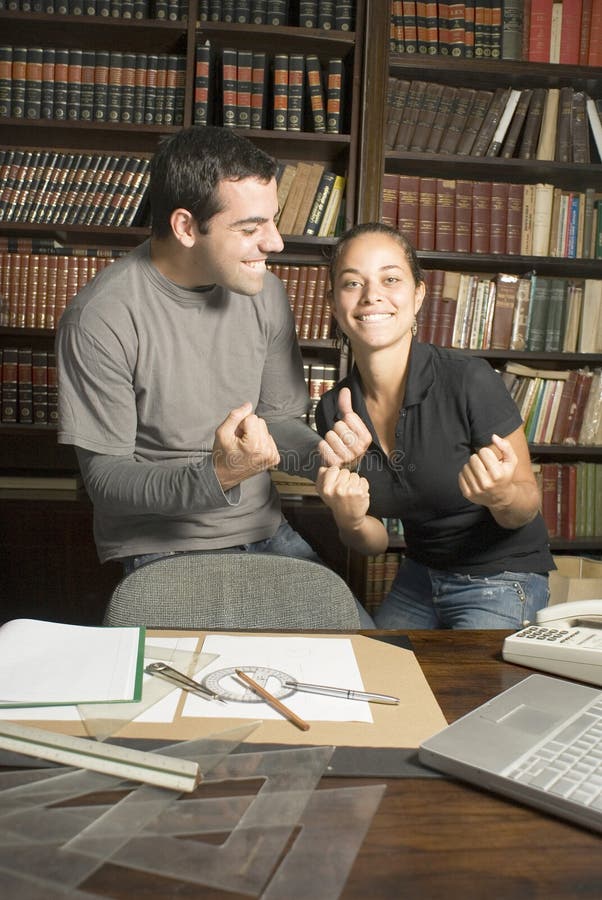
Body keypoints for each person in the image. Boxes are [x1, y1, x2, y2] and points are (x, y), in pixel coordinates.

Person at [56, 126, 372, 624]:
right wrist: (216, 476)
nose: (275, 242)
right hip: (159, 548)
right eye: (250, 228)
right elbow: (105, 478)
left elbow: (279, 422)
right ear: (186, 227)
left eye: (272, 221)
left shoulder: (264, 292)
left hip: (266, 532)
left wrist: (322, 456)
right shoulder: (102, 316)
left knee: (369, 668)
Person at [314, 222, 554, 630]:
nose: (372, 295)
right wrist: (349, 518)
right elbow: (371, 544)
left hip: (502, 575)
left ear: (418, 295)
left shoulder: (468, 379)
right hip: (420, 577)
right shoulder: (334, 408)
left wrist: (500, 494)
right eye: (353, 283)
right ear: (335, 305)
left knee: (470, 694)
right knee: (377, 679)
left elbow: (525, 507)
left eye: (391, 279)